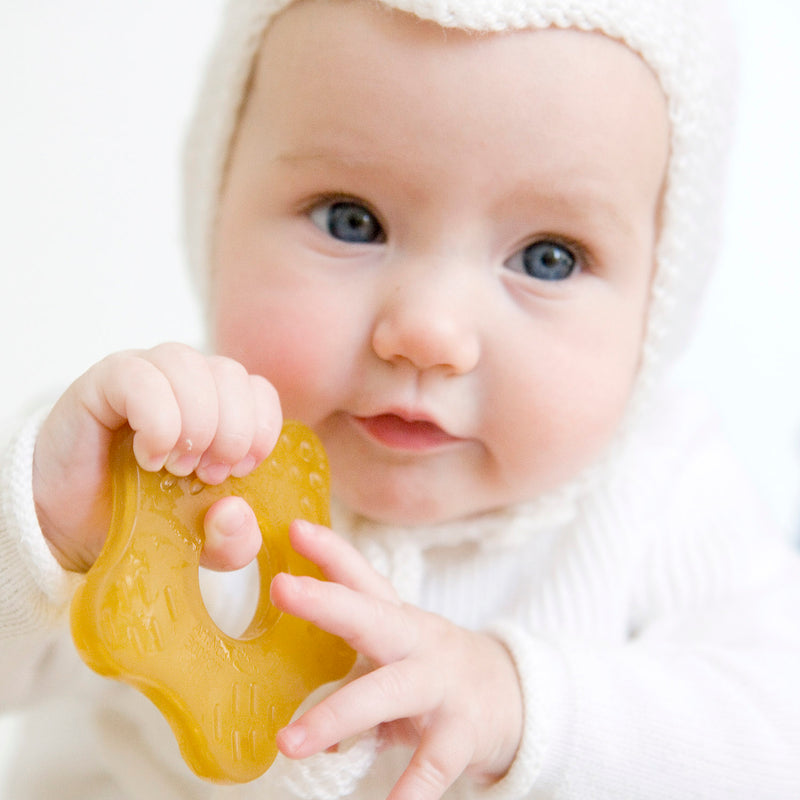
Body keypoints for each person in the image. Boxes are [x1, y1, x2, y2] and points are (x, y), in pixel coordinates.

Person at [2, 0, 800, 797]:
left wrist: (523, 704)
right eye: (353, 221)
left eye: (549, 258)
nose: (429, 331)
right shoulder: (153, 450)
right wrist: (44, 535)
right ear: (214, 211)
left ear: (658, 302)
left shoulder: (665, 489)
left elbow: (776, 732)